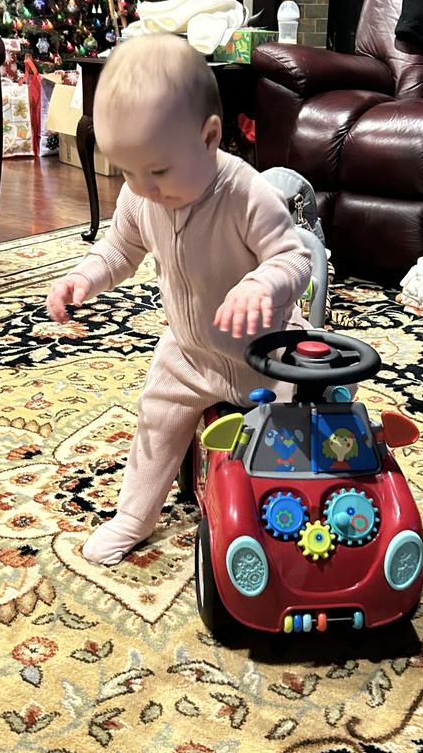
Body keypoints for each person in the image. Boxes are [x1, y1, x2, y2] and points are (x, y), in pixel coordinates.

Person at [45, 34, 312, 565]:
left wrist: (261, 284)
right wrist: (83, 279)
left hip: (268, 355)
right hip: (189, 352)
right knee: (155, 419)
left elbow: (294, 260)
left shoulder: (247, 192)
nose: (142, 187)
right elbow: (119, 249)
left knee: (298, 442)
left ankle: (292, 522)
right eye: (127, 171)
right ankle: (134, 515)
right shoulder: (140, 196)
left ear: (209, 136)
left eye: (158, 171)